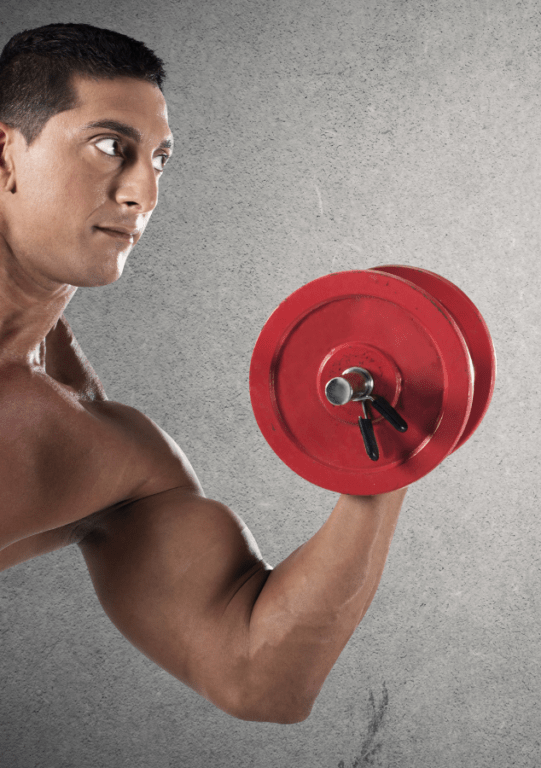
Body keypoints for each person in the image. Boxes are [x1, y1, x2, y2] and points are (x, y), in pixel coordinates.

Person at [0, 23, 407, 724]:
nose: (142, 194)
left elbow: (257, 674)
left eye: (161, 159)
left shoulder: (107, 454)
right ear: (5, 153)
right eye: (109, 147)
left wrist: (384, 460)